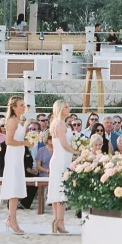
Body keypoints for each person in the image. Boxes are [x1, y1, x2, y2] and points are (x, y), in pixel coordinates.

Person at [47, 99, 80, 235]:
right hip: (61, 160)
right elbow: (64, 144)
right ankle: (59, 221)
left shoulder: (57, 123)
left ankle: (57, 220)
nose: (69, 109)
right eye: (66, 107)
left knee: (57, 190)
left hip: (61, 158)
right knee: (61, 190)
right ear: (60, 109)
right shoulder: (60, 124)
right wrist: (78, 151)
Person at [1, 96, 29, 233]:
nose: (24, 107)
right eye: (21, 105)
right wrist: (24, 143)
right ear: (14, 107)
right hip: (13, 156)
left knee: (17, 188)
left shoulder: (19, 120)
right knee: (13, 188)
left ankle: (11, 218)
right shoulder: (12, 121)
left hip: (18, 156)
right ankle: (12, 220)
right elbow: (8, 141)